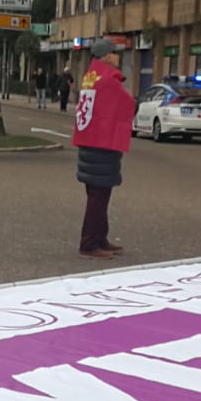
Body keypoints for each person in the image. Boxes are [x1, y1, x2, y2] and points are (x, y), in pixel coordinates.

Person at [73, 59, 133, 258]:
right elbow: (126, 102)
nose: (118, 57)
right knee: (98, 198)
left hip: (91, 142)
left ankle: (100, 239)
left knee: (98, 197)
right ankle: (89, 244)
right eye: (115, 53)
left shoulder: (91, 77)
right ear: (106, 56)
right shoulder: (107, 80)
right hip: (100, 147)